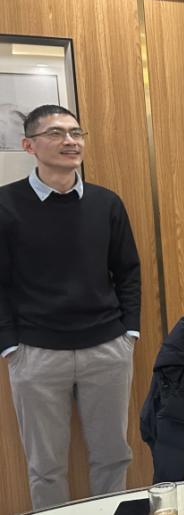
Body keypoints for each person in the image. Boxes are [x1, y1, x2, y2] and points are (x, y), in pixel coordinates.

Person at [0, 105, 141, 509]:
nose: (70, 141)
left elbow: (127, 271)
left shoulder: (106, 203)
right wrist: (9, 345)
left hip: (107, 349)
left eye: (76, 133)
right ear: (29, 145)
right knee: (45, 467)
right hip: (36, 354)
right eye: (56, 133)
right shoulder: (6, 205)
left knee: (113, 456)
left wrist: (129, 332)